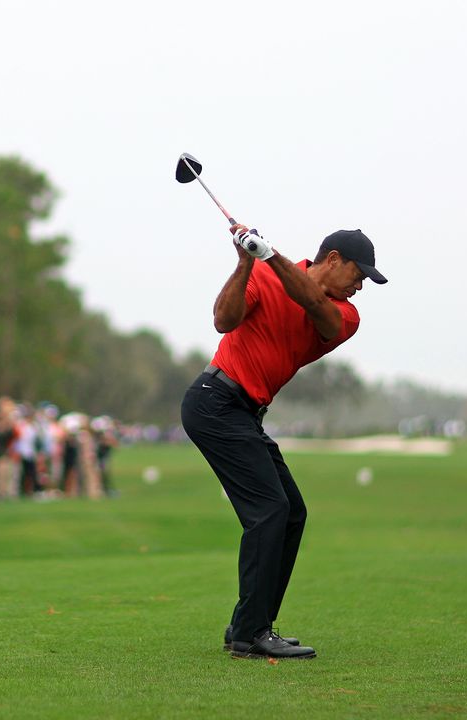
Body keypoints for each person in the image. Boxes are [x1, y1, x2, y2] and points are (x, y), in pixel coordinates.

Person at [180, 225, 387, 661]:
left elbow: (313, 303)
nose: (360, 285)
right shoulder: (263, 274)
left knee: (291, 512)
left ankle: (251, 624)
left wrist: (269, 255)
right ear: (332, 259)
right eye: (358, 274)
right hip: (214, 401)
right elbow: (223, 321)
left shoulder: (344, 316)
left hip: (244, 413)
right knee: (270, 510)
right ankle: (250, 633)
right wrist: (244, 264)